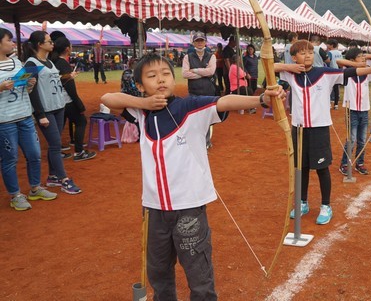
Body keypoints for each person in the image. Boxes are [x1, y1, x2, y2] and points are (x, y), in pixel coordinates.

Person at [101, 53, 285, 301]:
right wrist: (144, 104)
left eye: (166, 74)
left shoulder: (189, 107)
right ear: (141, 86)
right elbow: (108, 99)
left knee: (198, 274)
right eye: (152, 76)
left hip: (188, 208)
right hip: (154, 208)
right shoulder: (141, 114)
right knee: (158, 272)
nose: (161, 80)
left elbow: (224, 101)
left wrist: (261, 98)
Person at [275, 40, 371, 225]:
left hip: (319, 129)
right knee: (301, 168)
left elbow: (352, 72)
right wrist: (289, 66)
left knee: (322, 168)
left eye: (310, 52)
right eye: (302, 53)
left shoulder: (324, 73)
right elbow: (270, 66)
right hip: (298, 129)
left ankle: (326, 205)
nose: (307, 55)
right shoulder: (290, 74)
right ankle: (302, 202)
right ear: (294, 56)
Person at [0, 28, 57, 210]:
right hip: (5, 121)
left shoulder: (17, 62)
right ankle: (15, 195)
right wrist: (1, 87)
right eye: (9, 40)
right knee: (10, 159)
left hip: (25, 116)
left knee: (34, 154)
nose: (12, 43)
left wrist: (29, 84)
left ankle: (35, 188)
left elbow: (24, 89)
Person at [22, 31, 81, 194]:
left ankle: (52, 176)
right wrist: (40, 115)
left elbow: (52, 81)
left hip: (58, 106)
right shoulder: (31, 63)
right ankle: (64, 180)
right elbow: (31, 90)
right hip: (46, 110)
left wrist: (68, 77)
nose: (52, 43)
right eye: (49, 41)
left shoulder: (48, 61)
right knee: (55, 145)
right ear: (40, 44)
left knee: (54, 144)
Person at [51, 37, 97, 162]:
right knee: (81, 122)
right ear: (67, 49)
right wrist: (79, 103)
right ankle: (79, 152)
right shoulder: (63, 63)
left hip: (57, 100)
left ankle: (56, 152)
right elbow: (70, 88)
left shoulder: (53, 62)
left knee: (59, 126)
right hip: (66, 100)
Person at [337, 48, 371, 175]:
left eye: (363, 56)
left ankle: (359, 162)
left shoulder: (367, 73)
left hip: (364, 110)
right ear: (352, 60)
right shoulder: (346, 73)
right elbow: (339, 61)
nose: (363, 58)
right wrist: (357, 65)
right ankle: (345, 163)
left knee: (362, 139)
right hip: (351, 109)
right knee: (351, 139)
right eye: (360, 56)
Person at [182, 32, 218, 147]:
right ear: (193, 43)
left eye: (202, 40)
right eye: (197, 41)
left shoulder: (211, 56)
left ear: (205, 42)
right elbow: (185, 74)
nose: (200, 43)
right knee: (194, 118)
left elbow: (211, 72)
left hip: (208, 92)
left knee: (206, 119)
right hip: (194, 92)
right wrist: (204, 73)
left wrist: (195, 70)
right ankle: (196, 141)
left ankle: (206, 142)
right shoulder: (187, 57)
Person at [326, 39, 343, 110]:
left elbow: (328, 62)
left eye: (328, 44)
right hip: (338, 72)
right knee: (336, 89)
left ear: (332, 45)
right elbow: (342, 62)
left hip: (331, 71)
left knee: (328, 88)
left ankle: (329, 103)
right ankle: (336, 104)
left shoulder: (330, 53)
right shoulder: (340, 53)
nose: (327, 45)